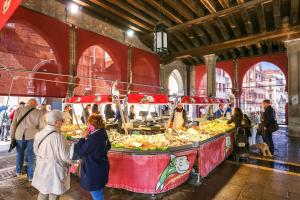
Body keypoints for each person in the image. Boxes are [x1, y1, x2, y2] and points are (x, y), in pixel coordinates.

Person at [32, 110, 72, 200]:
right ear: (57, 122)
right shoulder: (59, 137)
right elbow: (65, 157)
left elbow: (35, 151)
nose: (63, 122)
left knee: (43, 192)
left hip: (41, 167)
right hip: (55, 170)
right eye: (62, 120)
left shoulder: (39, 134)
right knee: (54, 194)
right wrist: (72, 162)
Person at [75, 115, 110, 200]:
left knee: (96, 193)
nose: (87, 126)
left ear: (92, 125)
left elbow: (79, 151)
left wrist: (82, 138)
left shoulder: (93, 138)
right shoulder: (103, 132)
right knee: (98, 190)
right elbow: (108, 146)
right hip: (101, 165)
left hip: (94, 168)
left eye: (89, 124)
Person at [10, 98, 44, 181]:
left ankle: (18, 172)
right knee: (32, 156)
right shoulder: (39, 112)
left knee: (19, 154)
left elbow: (13, 124)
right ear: (35, 104)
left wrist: (12, 137)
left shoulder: (18, 110)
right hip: (32, 136)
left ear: (28, 103)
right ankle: (31, 177)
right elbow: (42, 127)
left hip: (19, 136)